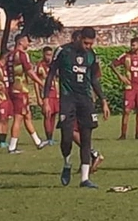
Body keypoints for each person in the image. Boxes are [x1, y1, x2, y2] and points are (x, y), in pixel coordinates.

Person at [43, 27, 111, 189]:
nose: (88, 46)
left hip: (85, 99)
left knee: (86, 137)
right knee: (67, 136)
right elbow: (51, 74)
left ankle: (84, 179)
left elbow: (94, 80)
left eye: (91, 43)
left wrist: (103, 100)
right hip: (68, 99)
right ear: (79, 38)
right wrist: (45, 99)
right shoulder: (63, 51)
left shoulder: (91, 55)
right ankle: (67, 163)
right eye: (86, 43)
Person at [5, 33, 46, 153]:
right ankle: (12, 146)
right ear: (21, 42)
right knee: (18, 117)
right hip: (20, 90)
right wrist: (41, 83)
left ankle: (37, 141)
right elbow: (29, 72)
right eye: (27, 41)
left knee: (27, 115)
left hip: (13, 88)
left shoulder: (10, 55)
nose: (28, 44)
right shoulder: (22, 55)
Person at [111, 36, 138, 140]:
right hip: (130, 86)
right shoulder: (126, 56)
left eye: (134, 45)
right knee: (127, 110)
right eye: (131, 45)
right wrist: (120, 76)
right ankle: (123, 134)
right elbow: (112, 64)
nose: (132, 47)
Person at [36, 46, 59, 146]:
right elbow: (36, 82)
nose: (49, 57)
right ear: (43, 55)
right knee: (47, 115)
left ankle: (51, 137)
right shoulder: (40, 66)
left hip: (55, 94)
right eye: (47, 55)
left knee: (53, 116)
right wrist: (38, 98)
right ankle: (48, 137)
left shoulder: (54, 66)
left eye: (50, 55)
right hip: (46, 94)